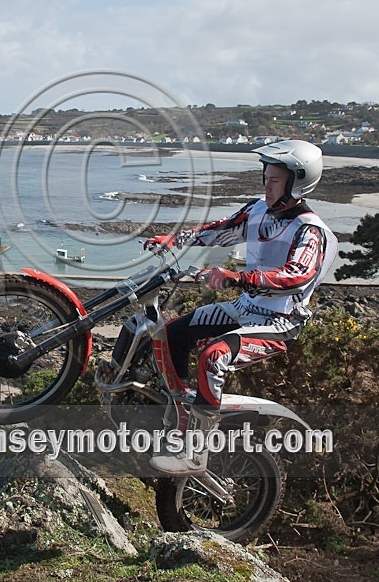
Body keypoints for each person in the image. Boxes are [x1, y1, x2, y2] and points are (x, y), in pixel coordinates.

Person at [145, 139, 338, 475]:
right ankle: (181, 416)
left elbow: (296, 276)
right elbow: (221, 230)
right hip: (246, 307)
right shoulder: (258, 210)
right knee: (172, 334)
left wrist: (238, 277)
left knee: (214, 357)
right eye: (265, 177)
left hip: (279, 320)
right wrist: (176, 239)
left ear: (297, 183)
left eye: (275, 180)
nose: (266, 186)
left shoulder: (310, 230)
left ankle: (196, 452)